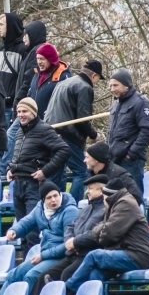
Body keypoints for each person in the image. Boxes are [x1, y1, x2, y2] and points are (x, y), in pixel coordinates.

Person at [64, 179, 149, 295]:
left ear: (108, 196)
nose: (103, 201)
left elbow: (109, 234)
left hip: (137, 255)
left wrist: (100, 232)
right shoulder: (116, 204)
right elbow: (101, 227)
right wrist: (100, 231)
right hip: (123, 252)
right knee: (96, 274)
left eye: (104, 198)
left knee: (94, 255)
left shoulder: (125, 204)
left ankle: (69, 287)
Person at [0, 181, 78, 295]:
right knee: (14, 274)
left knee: (31, 275)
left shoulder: (70, 211)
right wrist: (14, 230)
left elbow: (67, 245)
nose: (53, 200)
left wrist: (43, 256)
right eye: (49, 198)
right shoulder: (40, 209)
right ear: (43, 200)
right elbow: (26, 222)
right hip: (44, 254)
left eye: (56, 195)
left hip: (60, 256)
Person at [7, 97, 70, 243]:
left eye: (25, 111)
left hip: (33, 185)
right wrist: (11, 169)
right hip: (17, 184)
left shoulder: (44, 129)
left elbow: (64, 150)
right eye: (18, 112)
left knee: (32, 232)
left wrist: (45, 171)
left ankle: (36, 260)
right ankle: (25, 263)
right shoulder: (18, 131)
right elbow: (17, 156)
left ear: (34, 112)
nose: (21, 115)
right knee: (20, 231)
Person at [45, 59, 103, 202]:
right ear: (94, 75)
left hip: (49, 133)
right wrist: (94, 135)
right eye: (98, 79)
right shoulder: (84, 87)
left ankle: (55, 208)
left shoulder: (63, 83)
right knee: (82, 172)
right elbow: (83, 118)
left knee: (56, 173)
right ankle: (73, 206)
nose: (96, 82)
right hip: (67, 136)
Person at [42, 174, 108, 283]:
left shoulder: (106, 210)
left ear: (101, 191)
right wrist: (69, 240)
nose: (87, 192)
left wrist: (76, 242)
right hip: (73, 253)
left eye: (90, 189)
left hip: (87, 254)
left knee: (66, 275)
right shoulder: (85, 209)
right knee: (45, 275)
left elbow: (97, 234)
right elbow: (71, 226)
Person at [2, 20, 48, 175]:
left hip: (26, 106)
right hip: (23, 105)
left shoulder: (36, 54)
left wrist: (18, 103)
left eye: (26, 34)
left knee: (10, 136)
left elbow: (27, 82)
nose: (23, 38)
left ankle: (4, 172)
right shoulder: (30, 53)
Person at [107, 69, 149, 194]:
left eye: (115, 85)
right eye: (110, 85)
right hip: (114, 159)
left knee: (134, 196)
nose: (112, 89)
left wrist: (132, 154)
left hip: (131, 161)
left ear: (126, 84)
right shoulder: (115, 104)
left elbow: (148, 131)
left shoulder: (141, 102)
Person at [0, 12, 27, 125]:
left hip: (10, 106)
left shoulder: (22, 49)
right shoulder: (0, 48)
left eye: (1, 24)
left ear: (11, 27)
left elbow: (23, 79)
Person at [29, 43, 72, 119]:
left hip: (50, 124)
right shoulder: (37, 75)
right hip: (32, 121)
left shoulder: (63, 77)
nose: (39, 62)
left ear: (51, 60)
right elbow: (29, 95)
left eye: (42, 59)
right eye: (37, 58)